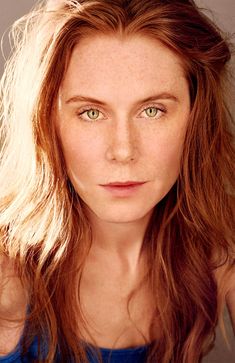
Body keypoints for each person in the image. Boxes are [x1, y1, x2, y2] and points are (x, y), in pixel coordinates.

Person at [0, 0, 234, 362]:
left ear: (195, 117)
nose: (123, 150)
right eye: (91, 113)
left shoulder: (220, 249)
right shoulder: (6, 272)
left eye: (152, 110)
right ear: (47, 124)